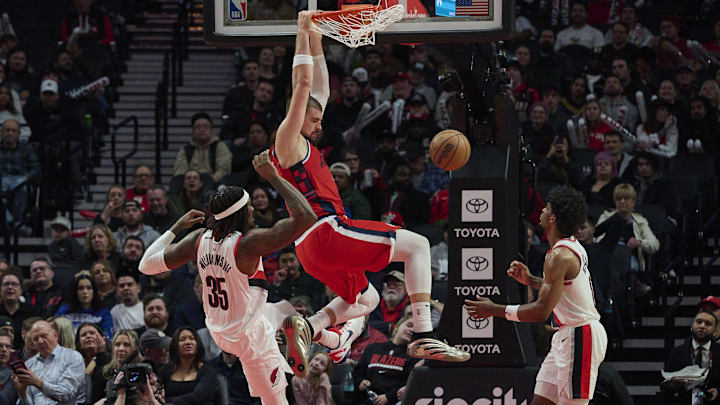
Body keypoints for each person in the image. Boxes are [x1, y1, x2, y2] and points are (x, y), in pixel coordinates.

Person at [271, 12, 467, 372]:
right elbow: (302, 87)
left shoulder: (302, 142)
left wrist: (316, 38)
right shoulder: (287, 140)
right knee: (418, 246)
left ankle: (318, 330)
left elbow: (319, 91)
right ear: (296, 117)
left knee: (367, 298)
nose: (319, 126)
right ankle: (424, 334)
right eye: (313, 121)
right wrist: (300, 31)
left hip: (309, 250)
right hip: (326, 229)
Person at [139, 148, 317, 403]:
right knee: (276, 401)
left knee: (285, 309)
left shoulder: (198, 240)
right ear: (241, 212)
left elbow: (145, 265)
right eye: (250, 207)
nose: (254, 211)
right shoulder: (248, 243)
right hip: (249, 333)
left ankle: (322, 336)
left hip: (221, 330)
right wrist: (274, 177)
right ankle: (326, 335)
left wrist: (175, 227)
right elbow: (306, 217)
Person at [464, 186, 608, 405]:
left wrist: (494, 310)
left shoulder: (560, 256)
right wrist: (531, 280)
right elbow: (563, 292)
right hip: (566, 335)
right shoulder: (569, 247)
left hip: (581, 335)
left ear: (553, 218)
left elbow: (542, 311)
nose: (541, 211)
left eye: (546, 208)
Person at [11, 320, 86, 404]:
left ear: (55, 335)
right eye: (35, 339)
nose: (40, 341)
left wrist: (38, 382)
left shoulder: (72, 357)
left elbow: (68, 396)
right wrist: (22, 393)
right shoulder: (29, 364)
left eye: (44, 336)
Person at [353, 315, 421, 405]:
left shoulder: (415, 357)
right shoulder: (373, 348)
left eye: (416, 331)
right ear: (397, 327)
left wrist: (389, 397)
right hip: (367, 400)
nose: (412, 330)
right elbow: (357, 373)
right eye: (409, 325)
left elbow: (409, 383)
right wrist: (361, 382)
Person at [661, 310, 720, 404]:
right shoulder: (677, 352)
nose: (702, 326)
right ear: (692, 326)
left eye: (708, 324)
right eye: (699, 322)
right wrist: (673, 385)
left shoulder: (718, 352)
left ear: (715, 331)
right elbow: (664, 387)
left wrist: (718, 390)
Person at [159, 327, 218, 404]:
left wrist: (168, 402)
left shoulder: (208, 371)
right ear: (175, 346)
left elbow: (200, 397)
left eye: (192, 338)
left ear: (198, 344)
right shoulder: (165, 370)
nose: (188, 342)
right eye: (182, 339)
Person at [55, 273, 114, 338]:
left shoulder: (103, 312)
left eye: (89, 288)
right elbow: (55, 333)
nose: (85, 292)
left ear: (94, 291)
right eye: (81, 288)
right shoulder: (63, 311)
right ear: (75, 292)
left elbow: (107, 337)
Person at [76, 322, 111, 404]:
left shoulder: (112, 360)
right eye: (84, 335)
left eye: (92, 333)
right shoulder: (76, 363)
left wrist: (101, 354)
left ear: (103, 338)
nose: (88, 336)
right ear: (79, 343)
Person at [0, 329, 18, 404]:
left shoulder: (12, 376)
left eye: (7, 346)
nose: (4, 349)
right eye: (0, 346)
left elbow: (5, 402)